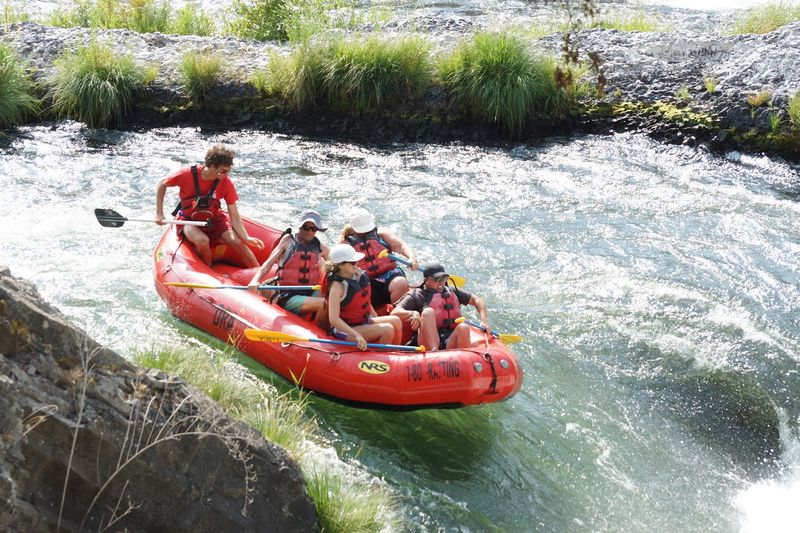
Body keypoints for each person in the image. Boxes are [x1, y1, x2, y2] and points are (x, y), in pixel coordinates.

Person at [155, 144, 263, 267]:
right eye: (222, 171)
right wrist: (159, 213)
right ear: (211, 165)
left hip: (214, 220)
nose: (225, 175)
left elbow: (233, 212)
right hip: (189, 221)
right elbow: (162, 184)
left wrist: (246, 237)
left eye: (228, 171)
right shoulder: (186, 174)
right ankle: (209, 270)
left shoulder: (225, 183)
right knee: (202, 240)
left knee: (236, 241)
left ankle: (259, 273)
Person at [248, 210, 330, 320]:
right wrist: (255, 280)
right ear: (300, 227)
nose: (310, 232)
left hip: (311, 292)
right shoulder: (287, 241)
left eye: (314, 229)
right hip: (289, 295)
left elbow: (336, 267)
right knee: (325, 303)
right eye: (306, 227)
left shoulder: (320, 247)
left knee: (333, 297)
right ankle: (322, 333)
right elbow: (268, 264)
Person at [391, 263, 491, 350]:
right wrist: (413, 313)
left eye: (443, 279)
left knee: (463, 327)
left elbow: (477, 300)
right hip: (427, 342)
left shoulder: (451, 290)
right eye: (437, 279)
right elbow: (395, 312)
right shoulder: (418, 295)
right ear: (427, 280)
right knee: (428, 312)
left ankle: (465, 360)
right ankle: (435, 353)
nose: (441, 283)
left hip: (449, 339)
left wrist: (484, 319)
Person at [325, 244, 403, 350]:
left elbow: (366, 301)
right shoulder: (337, 287)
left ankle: (396, 352)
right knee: (387, 329)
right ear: (340, 265)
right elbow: (334, 320)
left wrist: (374, 319)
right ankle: (381, 360)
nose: (356, 264)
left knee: (396, 321)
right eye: (352, 262)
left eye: (355, 261)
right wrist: (356, 335)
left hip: (363, 321)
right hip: (346, 329)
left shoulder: (359, 275)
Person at [339, 208, 418, 310]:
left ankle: (399, 312)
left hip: (390, 276)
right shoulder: (345, 244)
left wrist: (412, 258)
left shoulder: (382, 235)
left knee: (400, 282)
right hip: (366, 281)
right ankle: (370, 318)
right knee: (359, 292)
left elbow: (401, 246)